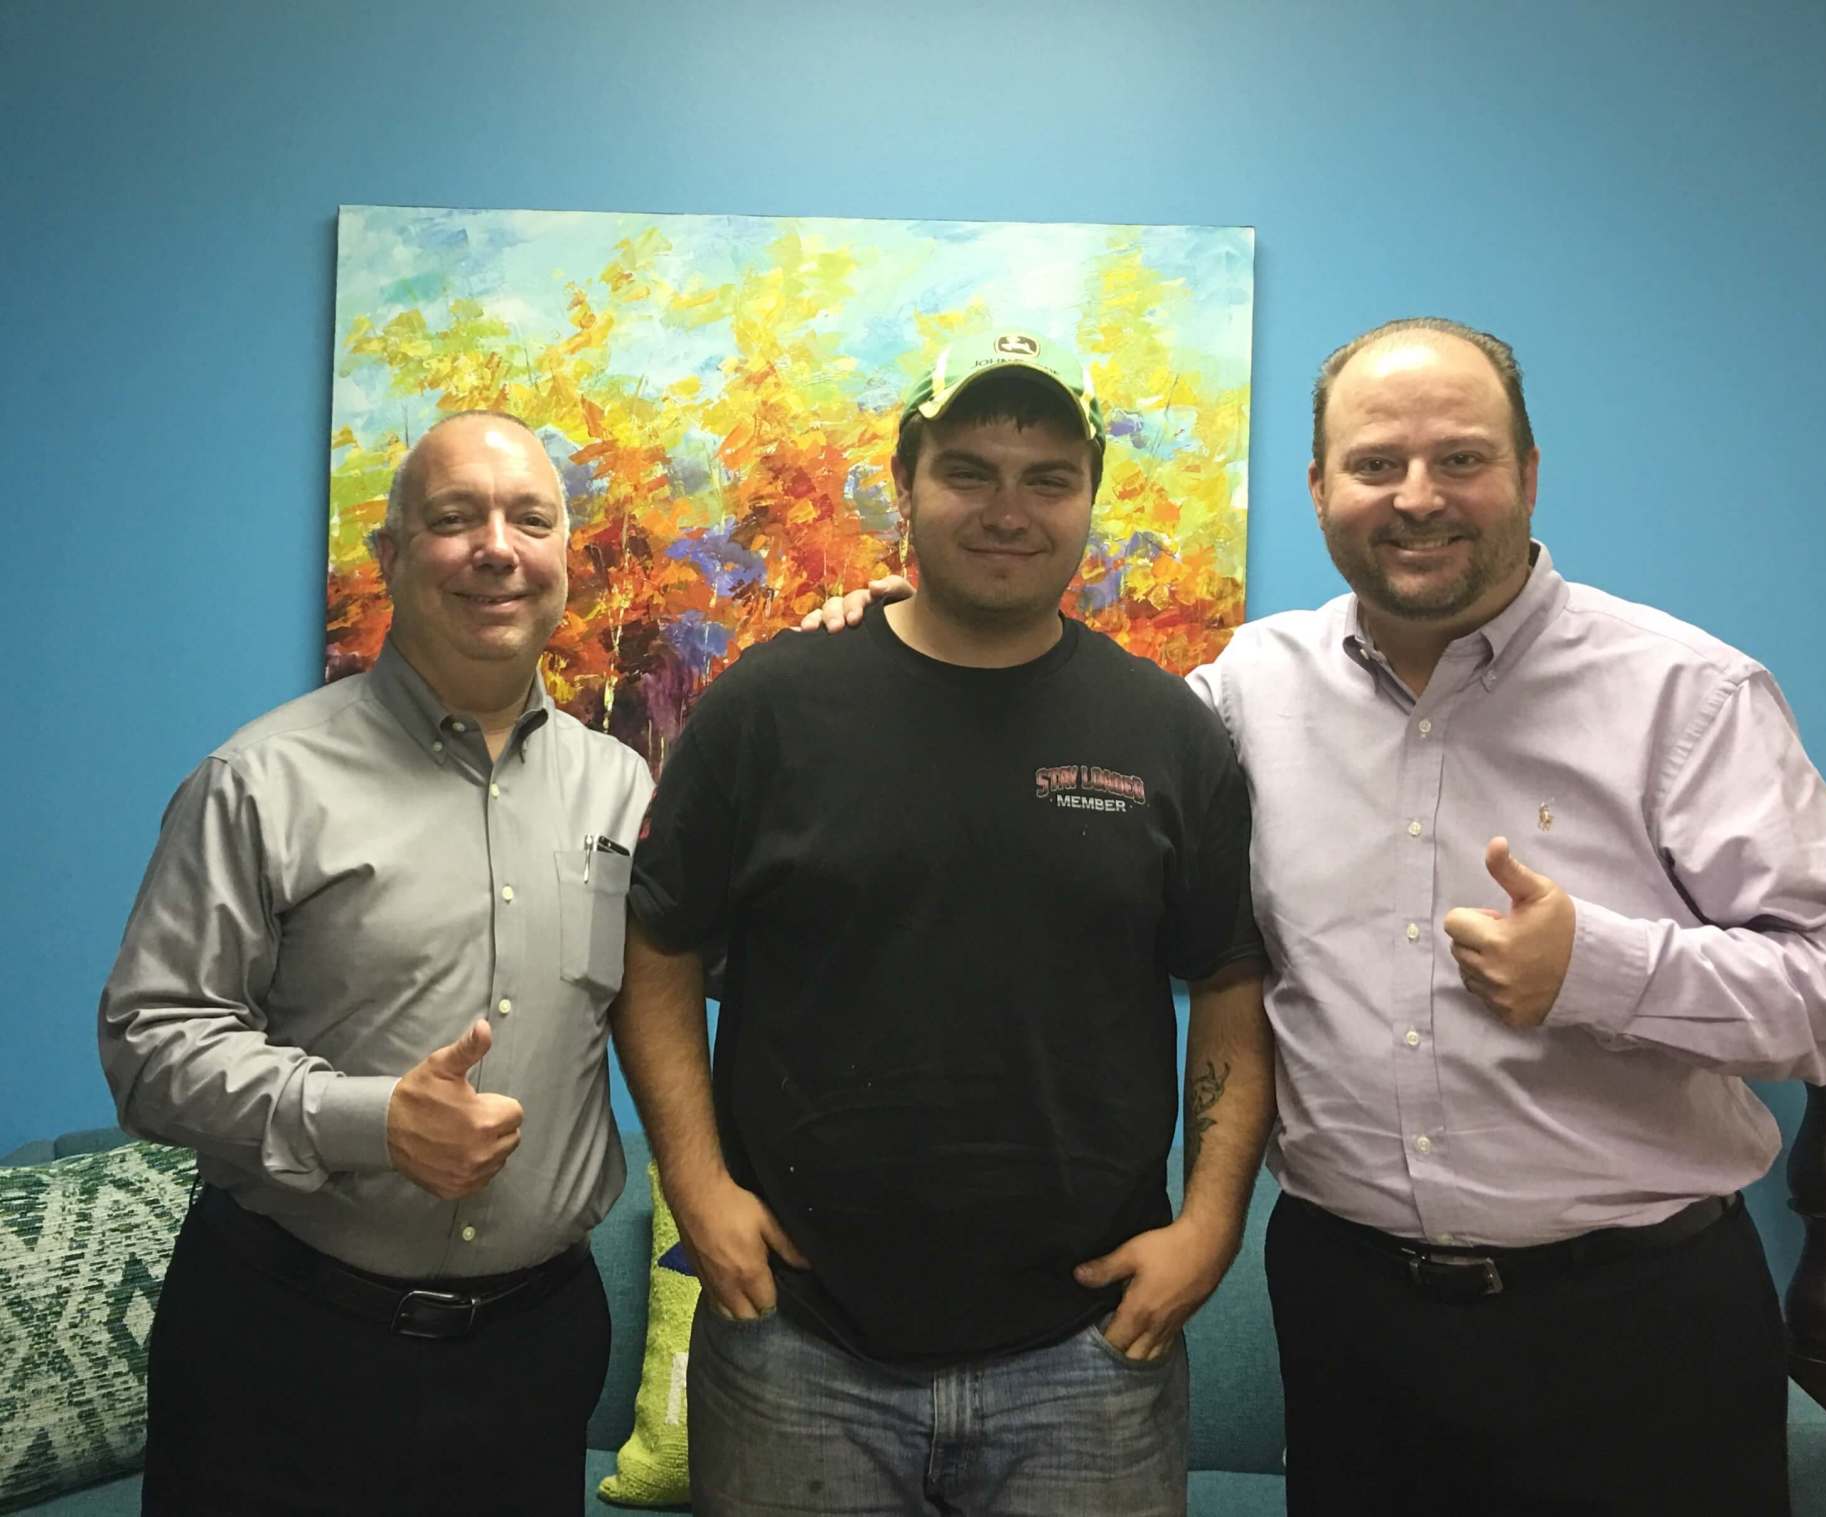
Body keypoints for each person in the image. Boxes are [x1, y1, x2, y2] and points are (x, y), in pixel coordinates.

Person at [813, 317, 1826, 1515]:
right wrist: (900, 645)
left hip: (1636, 1319)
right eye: (1376, 463)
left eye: (1462, 459)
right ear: (1320, 487)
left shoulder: (1685, 693)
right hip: (1353, 1315)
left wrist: (1601, 967)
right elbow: (1064, 741)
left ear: (1529, 473)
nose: (1418, 497)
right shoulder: (1244, 688)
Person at [613, 332, 1272, 1516]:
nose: (1008, 509)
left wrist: (1213, 1221)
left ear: (1090, 499)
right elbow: (654, 939)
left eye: (1048, 478)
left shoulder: (1164, 731)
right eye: (969, 470)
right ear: (905, 482)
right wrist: (697, 1183)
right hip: (796, 1345)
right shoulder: (770, 706)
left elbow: (1230, 976)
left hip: (1090, 1357)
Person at [99, 411, 652, 1515]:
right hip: (288, 1346)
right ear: (390, 558)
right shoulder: (261, 779)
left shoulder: (624, 789)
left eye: (529, 519)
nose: (497, 546)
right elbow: (151, 1041)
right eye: (455, 519)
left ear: (564, 559)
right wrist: (371, 1119)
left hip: (534, 1355)